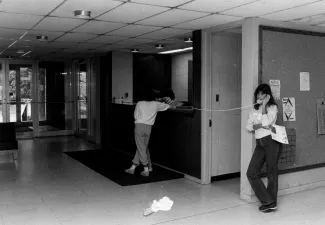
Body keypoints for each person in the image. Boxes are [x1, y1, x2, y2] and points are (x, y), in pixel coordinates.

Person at [246, 83, 280, 213]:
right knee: (251, 172)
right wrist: (259, 125)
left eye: (261, 95)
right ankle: (268, 201)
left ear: (267, 96)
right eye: (257, 94)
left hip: (271, 142)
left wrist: (265, 107)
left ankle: (271, 203)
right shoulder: (254, 108)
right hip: (259, 143)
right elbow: (248, 126)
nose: (258, 97)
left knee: (272, 173)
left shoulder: (272, 107)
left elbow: (268, 122)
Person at [125, 89, 170, 177]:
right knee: (143, 147)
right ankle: (148, 167)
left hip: (139, 126)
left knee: (141, 147)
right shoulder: (156, 104)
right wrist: (163, 100)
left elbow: (135, 116)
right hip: (149, 128)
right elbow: (168, 106)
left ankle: (144, 169)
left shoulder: (139, 103)